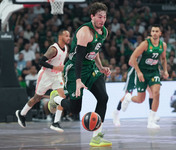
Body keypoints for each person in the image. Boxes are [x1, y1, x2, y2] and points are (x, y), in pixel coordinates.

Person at [48, 2, 112, 147]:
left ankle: (97, 137)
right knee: (75, 109)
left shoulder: (104, 31)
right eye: (99, 17)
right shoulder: (85, 32)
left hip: (90, 68)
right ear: (92, 17)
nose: (102, 20)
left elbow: (94, 51)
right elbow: (78, 59)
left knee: (103, 98)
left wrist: (101, 67)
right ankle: (56, 98)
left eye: (104, 17)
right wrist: (78, 80)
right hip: (75, 70)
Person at [15, 29, 70, 132]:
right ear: (60, 37)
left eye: (69, 36)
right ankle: (21, 114)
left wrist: (60, 71)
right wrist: (55, 68)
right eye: (66, 36)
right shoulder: (53, 49)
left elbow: (60, 63)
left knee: (62, 96)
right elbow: (41, 62)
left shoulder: (66, 48)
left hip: (56, 76)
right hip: (46, 76)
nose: (68, 38)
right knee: (37, 98)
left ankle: (56, 122)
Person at [121, 24, 169, 129]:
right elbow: (133, 57)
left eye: (157, 31)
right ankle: (128, 98)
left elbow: (164, 58)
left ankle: (151, 121)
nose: (155, 33)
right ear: (151, 33)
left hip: (154, 72)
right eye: (153, 31)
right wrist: (138, 72)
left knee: (156, 92)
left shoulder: (163, 45)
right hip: (142, 72)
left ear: (160, 33)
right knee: (140, 99)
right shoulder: (145, 44)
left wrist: (165, 70)